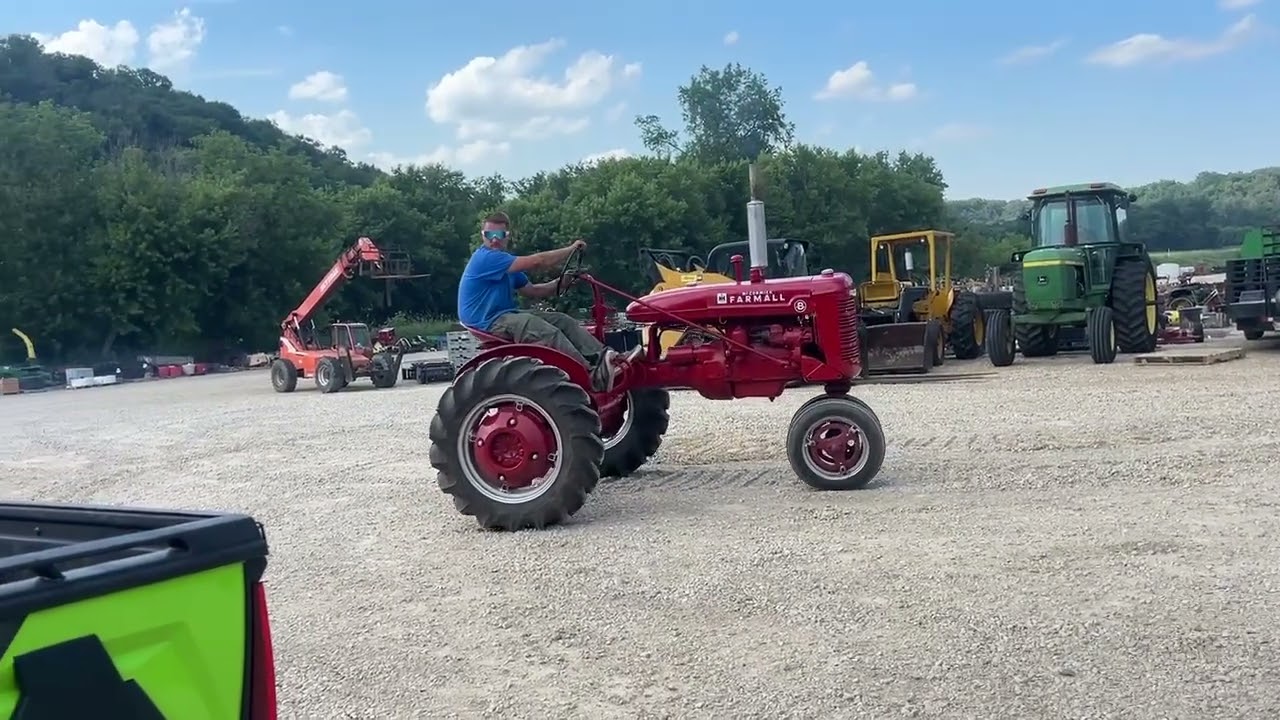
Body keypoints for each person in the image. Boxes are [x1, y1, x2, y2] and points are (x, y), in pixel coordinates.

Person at [457, 212, 639, 392]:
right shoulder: (486, 258)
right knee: (543, 331)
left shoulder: (506, 265)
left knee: (562, 320)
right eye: (490, 235)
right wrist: (571, 249)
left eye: (500, 235)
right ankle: (591, 375)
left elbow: (534, 291)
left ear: (507, 236)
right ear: (483, 235)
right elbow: (538, 261)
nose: (495, 240)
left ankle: (606, 358)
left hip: (504, 316)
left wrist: (562, 281)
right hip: (487, 321)